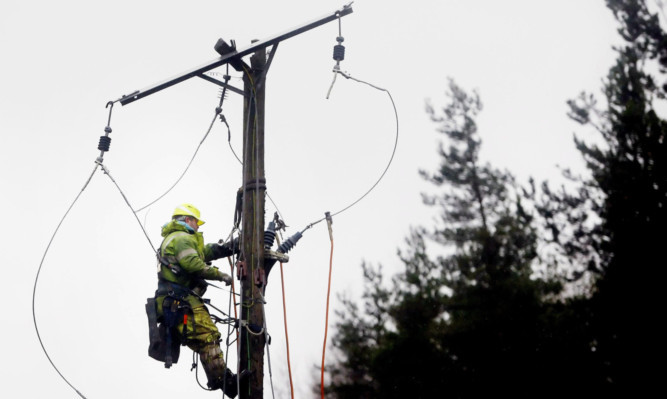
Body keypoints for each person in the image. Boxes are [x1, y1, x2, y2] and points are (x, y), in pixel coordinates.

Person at [153, 203, 240, 397]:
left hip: (178, 301)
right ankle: (222, 380)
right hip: (181, 302)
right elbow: (193, 263)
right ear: (186, 220)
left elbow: (204, 252)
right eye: (196, 222)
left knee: (205, 338)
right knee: (207, 336)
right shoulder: (182, 239)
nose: (198, 226)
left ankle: (222, 379)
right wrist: (220, 275)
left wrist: (229, 248)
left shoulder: (178, 238)